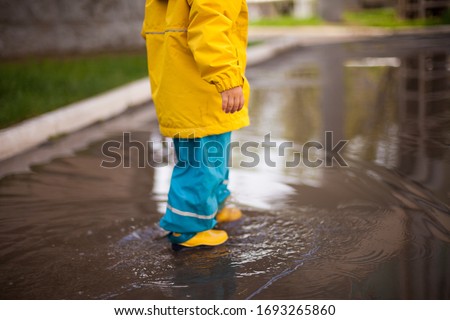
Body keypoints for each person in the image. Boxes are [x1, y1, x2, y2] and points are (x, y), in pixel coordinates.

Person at [141, 0, 250, 249]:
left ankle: (215, 205)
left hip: (181, 88)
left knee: (211, 156)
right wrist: (227, 78)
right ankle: (188, 228)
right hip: (204, 90)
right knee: (202, 163)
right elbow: (210, 30)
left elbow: (151, 32)